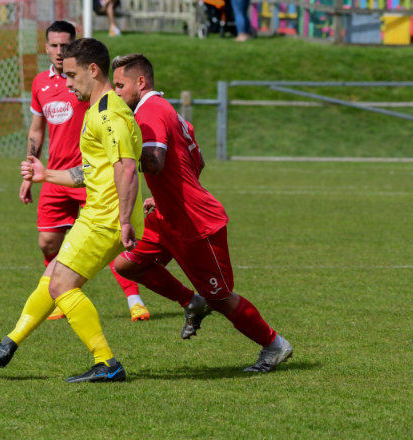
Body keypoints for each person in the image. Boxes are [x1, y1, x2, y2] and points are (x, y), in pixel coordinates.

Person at [110, 53, 292, 372]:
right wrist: (164, 196)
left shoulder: (150, 111)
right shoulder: (168, 111)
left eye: (120, 85)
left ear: (141, 82)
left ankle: (274, 345)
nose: (116, 92)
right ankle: (192, 301)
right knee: (126, 265)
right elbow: (197, 162)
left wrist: (120, 157)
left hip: (195, 222)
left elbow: (153, 162)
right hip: (168, 217)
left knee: (221, 297)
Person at [0, 38, 145, 383]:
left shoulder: (109, 113)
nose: (67, 83)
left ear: (93, 70)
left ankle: (107, 363)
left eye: (71, 75)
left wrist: (123, 221)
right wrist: (46, 175)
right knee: (53, 276)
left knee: (61, 285)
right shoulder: (97, 110)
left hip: (106, 217)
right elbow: (92, 171)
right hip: (98, 214)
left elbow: (127, 168)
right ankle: (10, 342)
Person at [22, 20, 149, 322]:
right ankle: (60, 295)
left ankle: (133, 298)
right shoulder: (41, 84)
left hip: (92, 176)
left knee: (107, 237)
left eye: (65, 46)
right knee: (47, 242)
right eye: (54, 45)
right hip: (57, 173)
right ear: (45, 48)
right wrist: (30, 172)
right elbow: (37, 129)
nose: (59, 51)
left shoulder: (87, 84)